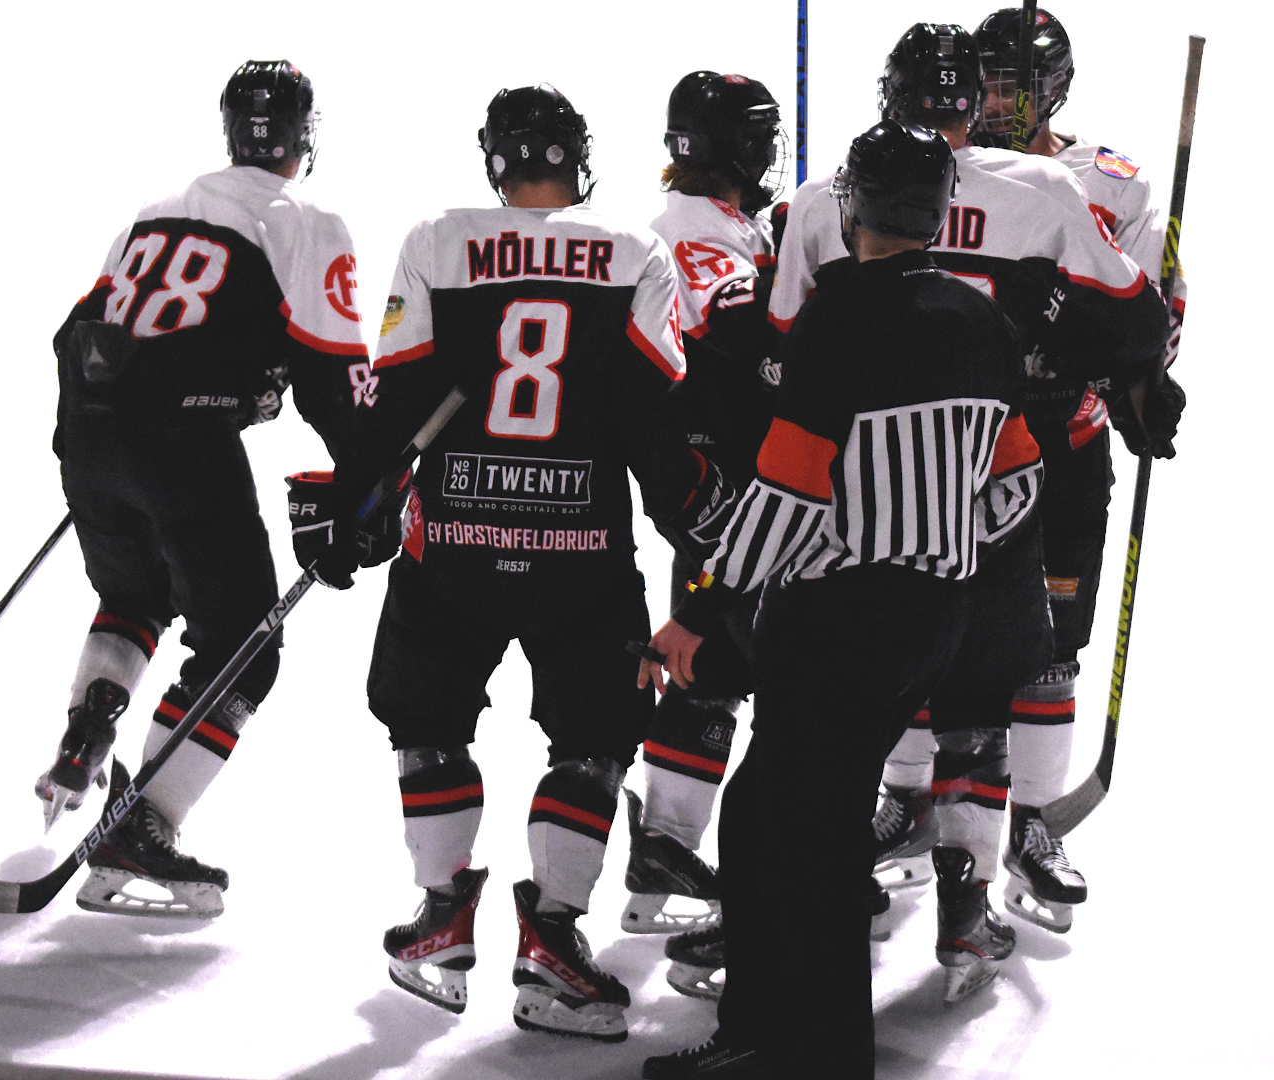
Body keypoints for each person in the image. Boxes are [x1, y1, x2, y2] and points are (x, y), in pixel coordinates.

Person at [769, 21, 1176, 950]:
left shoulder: (832, 196)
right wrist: (1116, 357)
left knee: (946, 644)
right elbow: (1136, 319)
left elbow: (788, 341)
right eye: (984, 87)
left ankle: (1010, 822)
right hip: (1015, 460)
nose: (998, 101)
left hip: (902, 465)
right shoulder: (1047, 191)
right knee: (989, 654)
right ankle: (947, 850)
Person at [641, 120, 1035, 1080]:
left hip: (840, 624)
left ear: (852, 205)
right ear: (941, 211)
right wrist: (929, 539)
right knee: (764, 812)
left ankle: (811, 1057)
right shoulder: (985, 319)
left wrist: (705, 601)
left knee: (807, 840)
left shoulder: (839, 313)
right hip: (933, 621)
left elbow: (789, 488)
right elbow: (1018, 485)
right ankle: (757, 1034)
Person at [358, 85, 732, 1042]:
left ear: (497, 161)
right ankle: (554, 940)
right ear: (579, 159)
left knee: (428, 723)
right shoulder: (632, 252)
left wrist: (360, 498)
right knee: (595, 742)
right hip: (582, 547)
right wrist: (699, 532)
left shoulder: (438, 239)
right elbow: (656, 420)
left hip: (453, 543)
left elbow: (395, 398)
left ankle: (441, 920)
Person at [31, 61, 371, 919]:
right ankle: (139, 823)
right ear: (304, 137)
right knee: (243, 646)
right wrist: (368, 480)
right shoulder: (305, 220)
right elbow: (336, 376)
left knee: (133, 593)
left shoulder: (154, 215)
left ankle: (86, 733)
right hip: (179, 448)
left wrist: (91, 440)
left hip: (92, 435)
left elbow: (81, 330)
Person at [969, 4, 1188, 932]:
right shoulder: (938, 164)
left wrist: (1143, 380)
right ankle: (904, 801)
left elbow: (1155, 307)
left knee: (1051, 641)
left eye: (1015, 82)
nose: (996, 100)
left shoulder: (1114, 183)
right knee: (919, 625)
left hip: (1064, 439)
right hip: (950, 446)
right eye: (986, 80)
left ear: (1054, 85)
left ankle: (1030, 822)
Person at [620, 69, 784, 945]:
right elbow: (741, 334)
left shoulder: (713, 221)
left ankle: (664, 850)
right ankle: (757, 870)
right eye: (758, 135)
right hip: (721, 476)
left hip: (716, 472)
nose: (768, 151)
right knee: (755, 651)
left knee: (712, 653)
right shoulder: (693, 230)